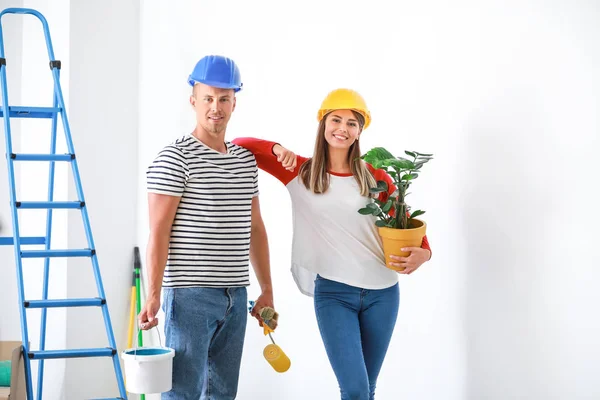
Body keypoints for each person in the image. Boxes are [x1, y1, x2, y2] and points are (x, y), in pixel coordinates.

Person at [232, 88, 432, 400]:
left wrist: (425, 252)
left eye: (352, 123)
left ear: (360, 131)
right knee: (354, 389)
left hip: (384, 294)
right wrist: (275, 148)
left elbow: (408, 226)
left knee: (366, 389)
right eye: (336, 119)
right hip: (334, 294)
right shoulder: (300, 171)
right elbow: (240, 145)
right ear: (323, 124)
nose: (343, 128)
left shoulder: (376, 175)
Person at [138, 55, 275, 400]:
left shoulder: (244, 161)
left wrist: (267, 289)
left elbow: (255, 228)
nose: (217, 107)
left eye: (224, 99)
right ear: (193, 100)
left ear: (234, 102)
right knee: (181, 393)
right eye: (209, 98)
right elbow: (159, 232)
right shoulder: (174, 158)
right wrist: (153, 294)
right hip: (189, 296)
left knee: (222, 395)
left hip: (236, 295)